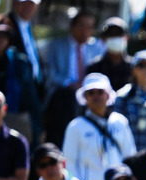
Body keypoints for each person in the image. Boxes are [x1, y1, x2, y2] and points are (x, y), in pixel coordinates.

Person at [63, 74, 137, 180]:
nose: (96, 96)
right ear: (85, 97)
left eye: (100, 92)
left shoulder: (120, 122)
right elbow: (70, 164)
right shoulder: (75, 126)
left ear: (108, 95)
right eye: (91, 93)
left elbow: (130, 156)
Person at [42, 10, 104, 147]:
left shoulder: (96, 48)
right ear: (72, 27)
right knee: (68, 100)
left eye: (90, 27)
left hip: (89, 94)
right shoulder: (57, 45)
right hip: (62, 93)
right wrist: (69, 83)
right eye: (82, 25)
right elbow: (50, 73)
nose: (85, 31)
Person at [7, 0, 44, 93]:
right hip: (16, 88)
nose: (27, 7)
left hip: (33, 85)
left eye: (31, 3)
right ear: (16, 2)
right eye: (24, 2)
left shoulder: (29, 26)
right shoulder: (8, 24)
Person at [85, 18, 134, 96]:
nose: (115, 37)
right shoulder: (94, 67)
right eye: (111, 34)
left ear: (127, 38)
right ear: (103, 39)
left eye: (119, 34)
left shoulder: (135, 66)